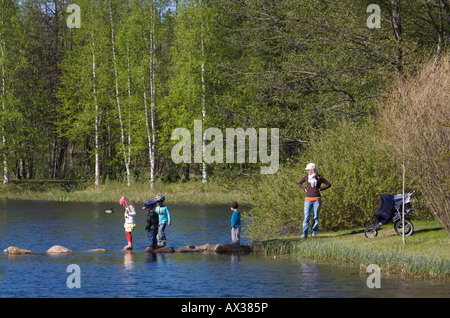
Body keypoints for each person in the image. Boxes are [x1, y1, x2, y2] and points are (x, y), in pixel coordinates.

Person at [297, 163, 331, 238]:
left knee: (315, 217)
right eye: (307, 170)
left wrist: (320, 189)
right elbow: (299, 183)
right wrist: (304, 189)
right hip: (307, 200)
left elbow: (328, 184)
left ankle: (313, 233)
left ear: (312, 170)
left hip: (317, 200)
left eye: (308, 170)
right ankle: (304, 234)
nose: (307, 171)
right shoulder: (306, 177)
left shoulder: (319, 177)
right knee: (306, 217)